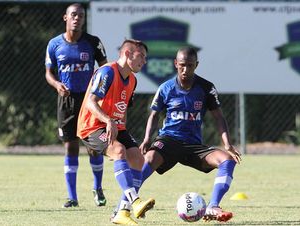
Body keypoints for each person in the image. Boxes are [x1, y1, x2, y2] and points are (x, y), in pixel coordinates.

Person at [124, 46, 241, 222]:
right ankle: (123, 207)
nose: (185, 70)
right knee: (147, 160)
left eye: (190, 65)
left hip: (193, 145)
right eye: (182, 65)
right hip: (168, 140)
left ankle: (213, 206)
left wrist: (227, 145)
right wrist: (148, 139)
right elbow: (154, 115)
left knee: (227, 160)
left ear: (197, 65)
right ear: (175, 64)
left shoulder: (206, 88)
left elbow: (219, 117)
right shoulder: (166, 88)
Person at [77, 39, 155, 225]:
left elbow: (124, 108)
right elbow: (90, 102)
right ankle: (135, 202)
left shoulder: (133, 80)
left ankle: (122, 213)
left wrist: (120, 127)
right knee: (119, 150)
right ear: (127, 54)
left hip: (115, 125)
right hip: (92, 126)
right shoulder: (107, 72)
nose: (144, 61)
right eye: (141, 56)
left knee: (137, 157)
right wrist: (109, 121)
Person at [45, 3, 107, 208]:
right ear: (65, 18)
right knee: (71, 147)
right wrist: (56, 84)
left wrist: (99, 90)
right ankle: (72, 197)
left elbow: (105, 68)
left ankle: (98, 189)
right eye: (73, 15)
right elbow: (49, 72)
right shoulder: (54, 44)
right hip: (67, 101)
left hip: (89, 101)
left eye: (81, 15)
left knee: (94, 148)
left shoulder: (93, 42)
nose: (77, 18)